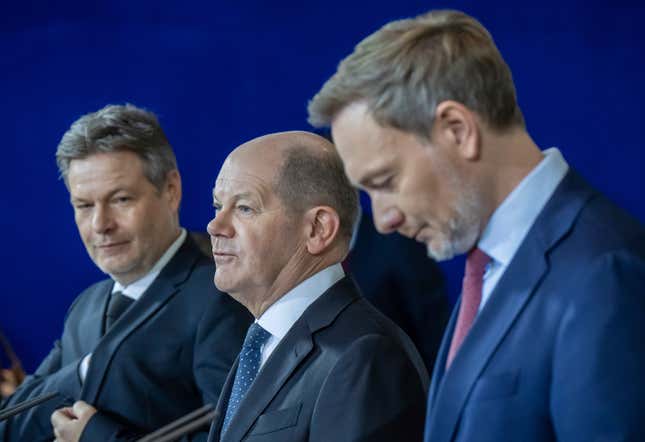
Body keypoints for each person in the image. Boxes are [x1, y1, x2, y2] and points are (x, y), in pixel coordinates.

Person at [308, 9, 645, 442]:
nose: (386, 220)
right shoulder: (484, 269)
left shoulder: (605, 276)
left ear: (457, 129)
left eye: (386, 181)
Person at [0, 104, 251, 441]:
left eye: (120, 199)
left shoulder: (223, 296)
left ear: (171, 190)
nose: (100, 225)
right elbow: (10, 426)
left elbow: (240, 437)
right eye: (84, 206)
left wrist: (100, 437)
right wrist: (89, 367)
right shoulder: (86, 307)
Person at [205, 131, 428, 442]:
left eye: (244, 208)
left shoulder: (365, 355)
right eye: (217, 206)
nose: (214, 226)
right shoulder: (261, 341)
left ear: (317, 229)